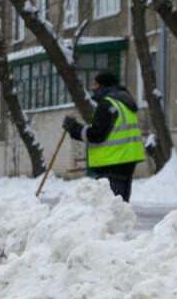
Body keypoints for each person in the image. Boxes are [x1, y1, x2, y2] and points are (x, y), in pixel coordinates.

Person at [62, 71, 146, 203]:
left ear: (104, 86)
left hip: (110, 164)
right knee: (120, 208)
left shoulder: (107, 105)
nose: (92, 88)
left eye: (95, 84)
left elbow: (95, 134)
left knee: (109, 208)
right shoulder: (125, 104)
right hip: (126, 164)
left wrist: (74, 128)